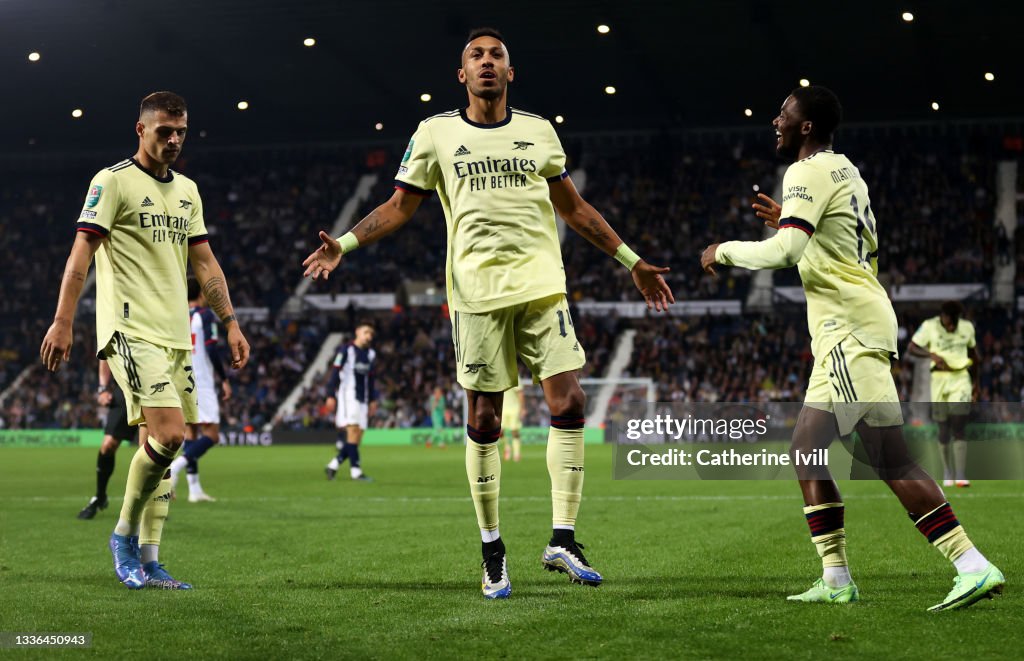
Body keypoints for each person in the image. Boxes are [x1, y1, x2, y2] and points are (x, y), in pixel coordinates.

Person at [303, 27, 674, 599]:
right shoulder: (436, 133)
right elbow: (400, 205)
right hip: (476, 296)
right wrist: (345, 246)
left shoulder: (538, 131)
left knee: (569, 400)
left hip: (543, 289)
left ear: (509, 72)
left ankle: (563, 538)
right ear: (461, 74)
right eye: (475, 56)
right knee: (484, 421)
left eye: (495, 55)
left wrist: (632, 260)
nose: (485, 63)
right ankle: (492, 549)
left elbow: (572, 208)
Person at [700, 85, 1003, 611]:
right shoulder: (847, 171)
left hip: (846, 330)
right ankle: (836, 578)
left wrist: (722, 251)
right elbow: (841, 243)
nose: (776, 120)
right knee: (807, 451)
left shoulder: (806, 171)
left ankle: (971, 564)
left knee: (888, 457)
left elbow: (786, 251)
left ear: (807, 127)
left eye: (784, 114)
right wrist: (792, 224)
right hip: (855, 325)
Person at [41, 91, 249, 590]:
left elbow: (204, 263)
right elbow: (80, 256)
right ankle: (122, 538)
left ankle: (152, 560)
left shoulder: (189, 191)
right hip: (130, 329)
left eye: (181, 131)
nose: (174, 140)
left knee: (161, 451)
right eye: (164, 131)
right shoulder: (112, 182)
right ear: (141, 130)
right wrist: (63, 321)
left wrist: (231, 321)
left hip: (176, 333)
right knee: (172, 434)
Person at [169, 278, 233, 502]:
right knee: (212, 435)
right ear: (202, 294)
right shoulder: (205, 316)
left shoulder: (177, 317)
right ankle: (174, 469)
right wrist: (224, 378)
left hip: (180, 379)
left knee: (192, 434)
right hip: (202, 381)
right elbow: (212, 349)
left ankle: (194, 490)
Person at [908, 301, 979, 488]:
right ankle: (948, 471)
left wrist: (976, 384)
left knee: (959, 424)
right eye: (949, 322)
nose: (952, 326)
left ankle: (961, 474)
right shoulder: (929, 326)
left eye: (955, 323)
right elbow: (912, 348)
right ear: (944, 316)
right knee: (943, 428)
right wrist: (931, 355)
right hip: (939, 380)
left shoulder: (967, 327)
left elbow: (974, 355)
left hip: (961, 378)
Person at [77, 360, 139, 519]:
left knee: (149, 448)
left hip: (155, 384)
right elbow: (105, 353)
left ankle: (153, 501)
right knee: (108, 445)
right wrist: (103, 388)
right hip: (126, 387)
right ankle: (100, 496)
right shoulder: (117, 333)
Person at [325, 322, 376, 482]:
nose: (369, 336)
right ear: (357, 332)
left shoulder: (371, 354)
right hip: (349, 396)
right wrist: (330, 394)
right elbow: (335, 371)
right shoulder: (346, 350)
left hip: (363, 398)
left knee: (358, 436)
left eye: (371, 334)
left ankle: (333, 464)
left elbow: (371, 379)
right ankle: (356, 471)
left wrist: (373, 400)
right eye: (366, 332)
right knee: (353, 431)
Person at [500, 377, 524, 462]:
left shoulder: (515, 376)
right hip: (502, 409)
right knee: (500, 432)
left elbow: (520, 392)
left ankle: (517, 453)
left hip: (514, 408)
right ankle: (507, 447)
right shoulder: (499, 375)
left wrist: (522, 409)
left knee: (514, 431)